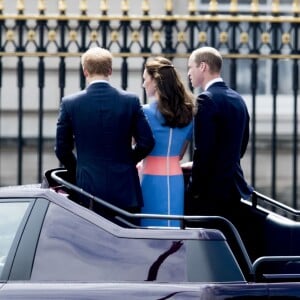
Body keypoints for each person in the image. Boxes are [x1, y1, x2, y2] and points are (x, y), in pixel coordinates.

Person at [55, 47, 155, 223]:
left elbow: (62, 149)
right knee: (129, 245)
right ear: (110, 70)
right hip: (125, 190)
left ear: (85, 71)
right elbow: (146, 142)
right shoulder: (130, 100)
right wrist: (126, 161)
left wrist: (80, 169)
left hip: (88, 190)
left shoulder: (70, 103)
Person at [185, 46, 253, 225]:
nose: (188, 73)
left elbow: (203, 150)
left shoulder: (205, 99)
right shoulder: (238, 99)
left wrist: (193, 189)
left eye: (190, 67)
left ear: (203, 67)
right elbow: (242, 145)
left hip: (211, 192)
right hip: (234, 188)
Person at [140, 56, 195, 227]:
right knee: (173, 230)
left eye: (145, 79)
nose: (143, 84)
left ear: (155, 82)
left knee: (151, 231)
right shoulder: (188, 112)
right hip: (175, 178)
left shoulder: (144, 112)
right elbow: (179, 154)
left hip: (150, 178)